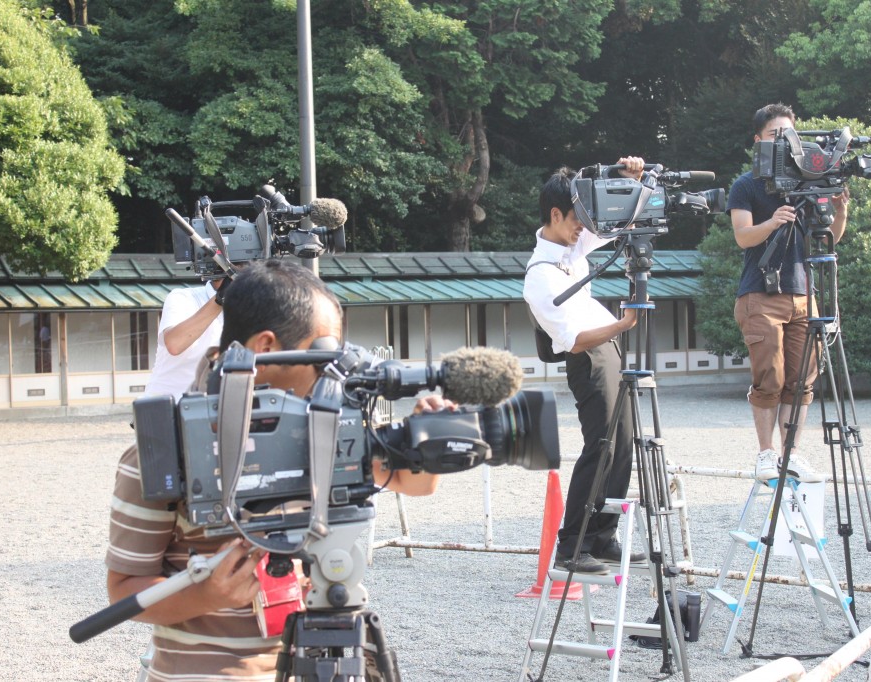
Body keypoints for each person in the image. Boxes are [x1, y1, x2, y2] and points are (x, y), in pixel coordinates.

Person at [106, 259, 446, 680]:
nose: (333, 368)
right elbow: (123, 588)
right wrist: (206, 595)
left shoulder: (323, 425)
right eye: (321, 350)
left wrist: (428, 435)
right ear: (266, 348)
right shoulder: (164, 449)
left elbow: (414, 483)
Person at [523, 157, 648, 576]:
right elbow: (572, 340)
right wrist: (625, 323)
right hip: (587, 356)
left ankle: (603, 536)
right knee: (601, 447)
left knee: (625, 441)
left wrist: (630, 180)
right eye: (577, 219)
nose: (583, 228)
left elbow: (615, 221)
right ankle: (571, 545)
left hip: (607, 347)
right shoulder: (539, 274)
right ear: (555, 215)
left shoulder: (570, 242)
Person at [727, 103, 850, 483]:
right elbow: (743, 236)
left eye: (788, 135)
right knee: (770, 377)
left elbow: (828, 240)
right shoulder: (746, 185)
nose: (783, 141)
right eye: (774, 135)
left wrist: (840, 211)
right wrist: (773, 220)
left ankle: (791, 454)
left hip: (803, 292)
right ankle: (767, 454)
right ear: (758, 140)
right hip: (761, 293)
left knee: (801, 381)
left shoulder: (808, 182)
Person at [144, 273, 230, 399]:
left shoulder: (255, 303)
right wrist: (222, 297)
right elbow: (175, 344)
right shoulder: (184, 297)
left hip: (221, 409)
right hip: (166, 408)